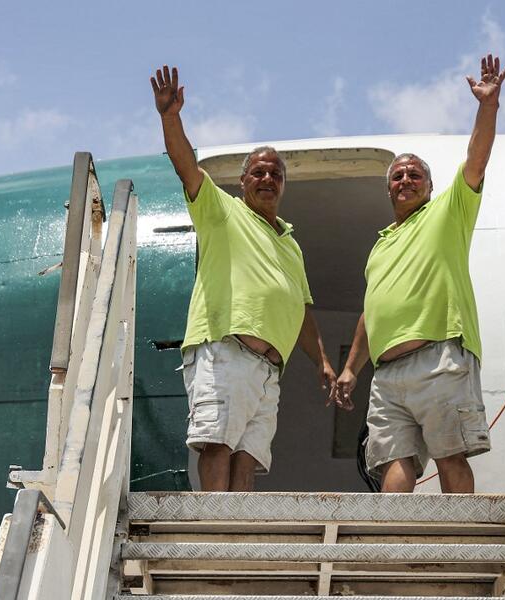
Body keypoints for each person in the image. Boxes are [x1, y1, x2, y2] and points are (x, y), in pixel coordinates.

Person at [151, 65, 336, 491]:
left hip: (269, 371)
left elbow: (301, 310)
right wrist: (169, 117)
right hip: (225, 353)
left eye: (276, 174)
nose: (267, 179)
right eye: (258, 172)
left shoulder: (291, 243)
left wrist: (322, 360)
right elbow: (186, 165)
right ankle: (214, 532)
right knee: (217, 445)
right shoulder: (222, 211)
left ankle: (233, 539)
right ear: (242, 181)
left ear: (284, 184)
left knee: (249, 459)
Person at [332, 55, 505, 493]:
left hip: (439, 359)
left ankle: (461, 554)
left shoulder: (448, 212)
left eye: (414, 175)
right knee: (393, 461)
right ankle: (395, 552)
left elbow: (476, 160)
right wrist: (351, 369)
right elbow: (370, 312)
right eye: (397, 176)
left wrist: (487, 107)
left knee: (450, 456)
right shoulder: (379, 245)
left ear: (429, 187)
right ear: (389, 188)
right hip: (388, 374)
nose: (406, 180)